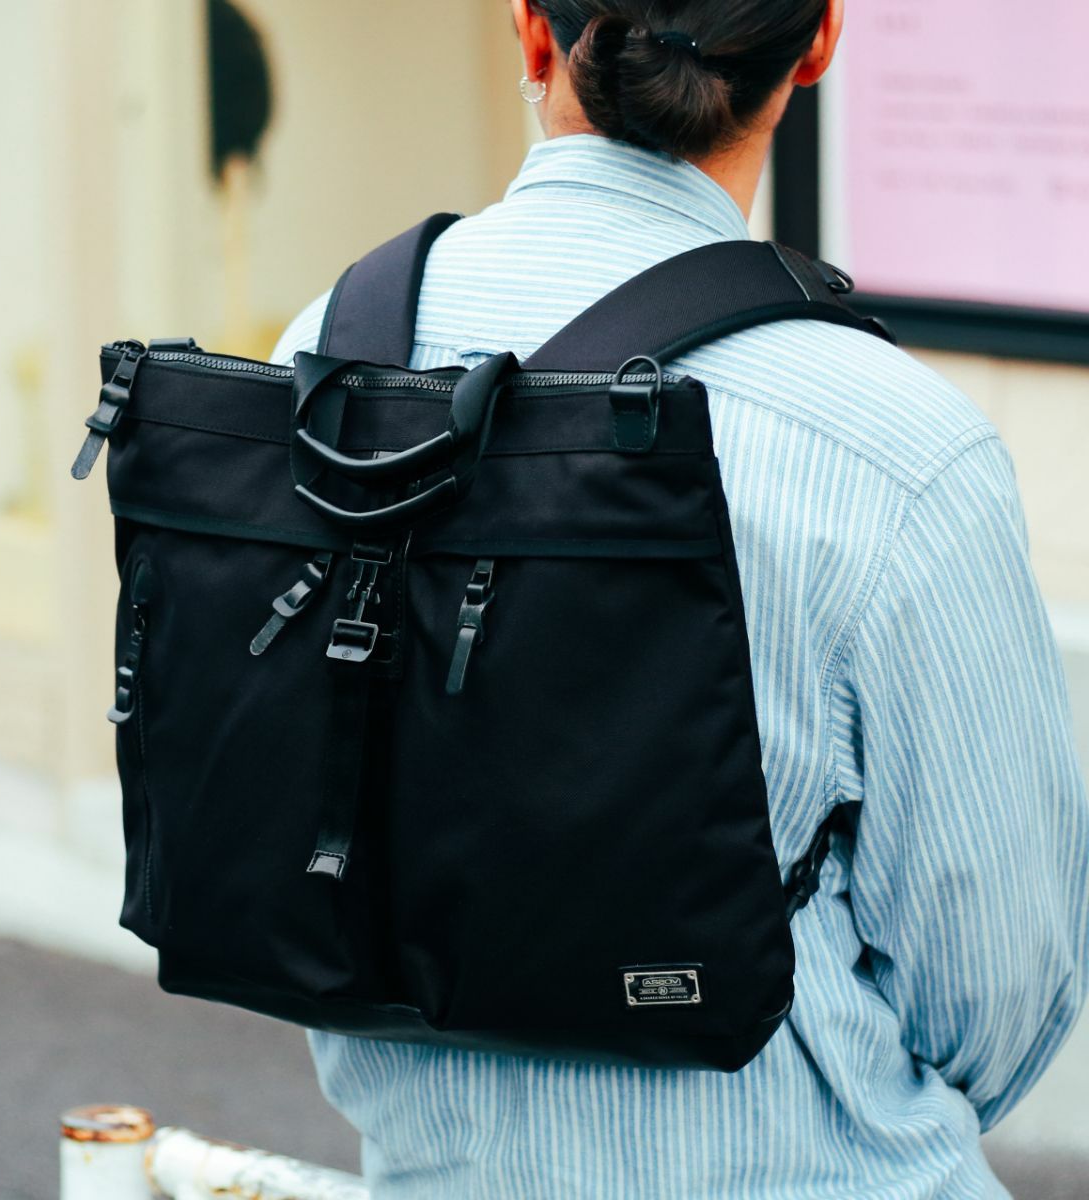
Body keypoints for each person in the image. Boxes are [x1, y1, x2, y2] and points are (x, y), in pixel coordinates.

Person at [273, 2, 1089, 1195]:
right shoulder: (901, 446)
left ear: (533, 33)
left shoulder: (336, 359)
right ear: (820, 41)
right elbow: (996, 981)